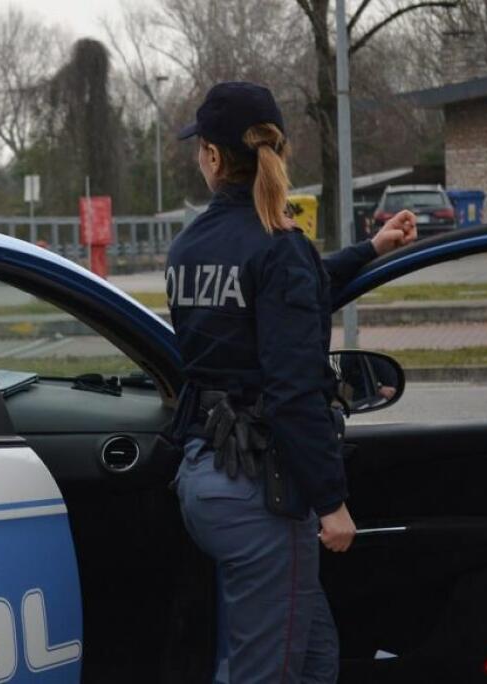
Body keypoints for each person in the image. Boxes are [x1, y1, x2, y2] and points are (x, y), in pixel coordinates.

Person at [166, 82, 417, 683]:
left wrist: (369, 249)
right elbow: (294, 390)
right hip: (262, 493)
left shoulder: (187, 247)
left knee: (312, 654)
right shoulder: (278, 249)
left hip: (206, 476)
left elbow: (281, 296)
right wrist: (331, 501)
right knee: (268, 671)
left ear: (212, 156)